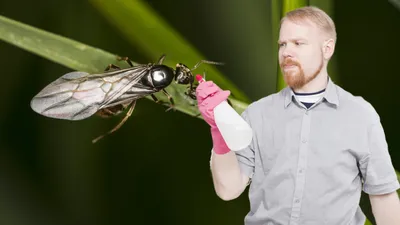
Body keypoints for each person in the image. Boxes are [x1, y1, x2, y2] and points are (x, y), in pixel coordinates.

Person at [195, 5, 400, 225]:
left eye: (298, 43)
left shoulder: (359, 115)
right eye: (282, 44)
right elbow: (229, 189)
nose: (286, 52)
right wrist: (219, 128)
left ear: (327, 48)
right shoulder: (257, 114)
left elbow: (383, 196)